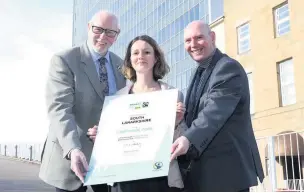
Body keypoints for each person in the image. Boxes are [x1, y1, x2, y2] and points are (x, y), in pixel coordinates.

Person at [170, 20, 265, 192]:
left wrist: (187, 138)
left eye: (199, 37)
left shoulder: (227, 68)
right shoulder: (199, 72)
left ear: (212, 37)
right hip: (204, 176)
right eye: (188, 40)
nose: (193, 45)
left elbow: (214, 112)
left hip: (225, 175)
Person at [39, 10, 126, 192]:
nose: (103, 36)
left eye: (110, 32)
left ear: (116, 36)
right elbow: (60, 109)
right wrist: (73, 149)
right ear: (88, 28)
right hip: (71, 156)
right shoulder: (65, 60)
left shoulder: (122, 66)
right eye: (98, 29)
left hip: (106, 160)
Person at [87, 35, 185, 192]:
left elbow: (182, 141)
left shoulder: (172, 94)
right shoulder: (117, 99)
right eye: (136, 53)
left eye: (147, 52)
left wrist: (177, 121)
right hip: (125, 181)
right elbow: (112, 145)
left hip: (161, 180)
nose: (141, 56)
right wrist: (100, 138)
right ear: (129, 59)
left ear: (156, 58)